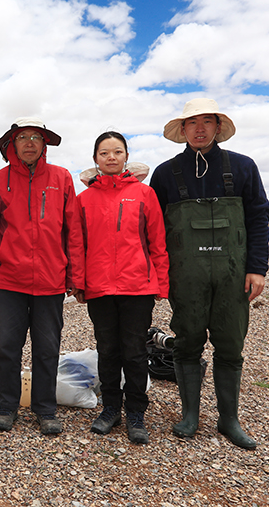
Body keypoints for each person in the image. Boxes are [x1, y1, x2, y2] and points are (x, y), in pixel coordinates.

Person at [149, 98, 269, 450]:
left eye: (206, 121)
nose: (199, 128)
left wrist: (257, 268)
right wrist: (158, 275)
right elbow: (153, 230)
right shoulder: (165, 174)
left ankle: (229, 419)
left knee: (230, 345)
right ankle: (189, 415)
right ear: (183, 129)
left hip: (234, 275)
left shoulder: (244, 167)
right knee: (187, 342)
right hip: (185, 276)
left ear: (218, 127)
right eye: (192, 122)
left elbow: (258, 218)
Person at [0, 117, 85, 435]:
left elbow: (73, 232)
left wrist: (75, 277)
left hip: (50, 279)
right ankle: (7, 407)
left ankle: (45, 409)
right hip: (8, 280)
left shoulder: (61, 178)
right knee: (7, 347)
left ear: (44, 144)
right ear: (12, 144)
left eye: (36, 137)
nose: (30, 143)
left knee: (47, 349)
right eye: (23, 137)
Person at [76, 132, 169, 445]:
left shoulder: (144, 193)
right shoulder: (84, 200)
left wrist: (161, 283)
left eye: (117, 151)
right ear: (95, 159)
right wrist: (78, 282)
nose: (111, 157)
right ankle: (111, 408)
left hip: (137, 286)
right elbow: (77, 244)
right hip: (99, 287)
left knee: (135, 351)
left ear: (126, 156)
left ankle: (136, 413)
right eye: (104, 153)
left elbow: (157, 241)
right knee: (107, 350)